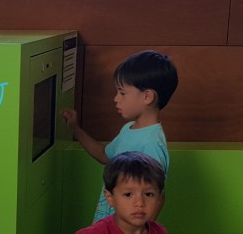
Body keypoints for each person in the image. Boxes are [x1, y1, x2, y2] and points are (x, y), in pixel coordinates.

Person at [61, 49, 178, 223]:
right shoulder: (129, 129)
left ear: (147, 97)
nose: (116, 99)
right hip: (108, 228)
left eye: (122, 93)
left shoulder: (151, 144)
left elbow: (157, 197)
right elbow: (103, 155)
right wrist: (76, 129)